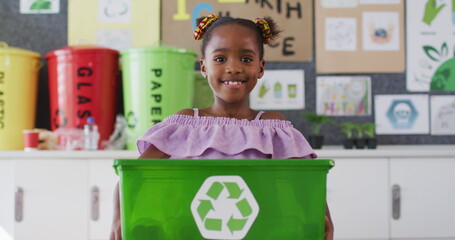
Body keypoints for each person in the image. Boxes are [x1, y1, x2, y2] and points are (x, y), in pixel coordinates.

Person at [110, 14, 334, 240]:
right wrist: (119, 218)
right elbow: (131, 176)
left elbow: (308, 182)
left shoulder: (272, 128)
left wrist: (322, 218)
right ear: (204, 67)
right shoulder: (183, 127)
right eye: (220, 59)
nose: (233, 68)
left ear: (261, 68)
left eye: (246, 59)